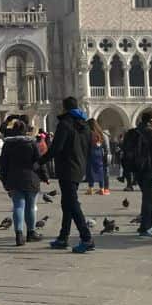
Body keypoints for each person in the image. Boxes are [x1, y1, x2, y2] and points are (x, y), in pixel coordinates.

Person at [40, 97, 94, 253]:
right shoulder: (85, 126)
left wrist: (40, 162)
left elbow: (56, 148)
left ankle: (86, 238)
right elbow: (88, 149)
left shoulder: (65, 124)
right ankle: (63, 237)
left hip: (67, 169)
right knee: (67, 203)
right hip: (79, 168)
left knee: (72, 203)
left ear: (64, 108)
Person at [0, 118, 47, 246]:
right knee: (31, 206)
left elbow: (3, 165)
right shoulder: (32, 143)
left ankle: (19, 234)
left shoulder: (8, 145)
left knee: (18, 206)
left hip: (14, 178)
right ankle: (31, 232)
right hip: (31, 177)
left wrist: (4, 180)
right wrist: (45, 176)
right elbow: (39, 161)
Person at [123, 112, 152, 236]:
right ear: (151, 120)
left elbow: (125, 150)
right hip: (150, 169)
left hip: (137, 169)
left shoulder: (132, 133)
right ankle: (144, 228)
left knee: (148, 197)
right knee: (147, 198)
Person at [86, 120, 109, 195]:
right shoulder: (100, 133)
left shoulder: (89, 133)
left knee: (90, 170)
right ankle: (102, 188)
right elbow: (104, 145)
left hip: (91, 153)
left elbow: (87, 144)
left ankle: (91, 188)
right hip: (99, 154)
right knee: (100, 171)